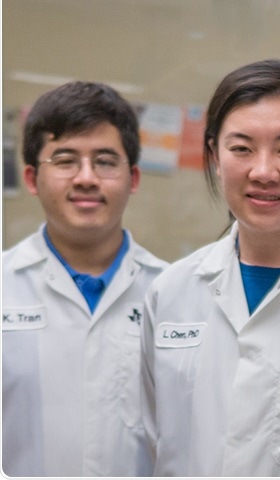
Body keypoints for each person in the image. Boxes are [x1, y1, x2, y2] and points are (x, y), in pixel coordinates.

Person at [140, 59, 280, 476]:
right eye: (241, 148)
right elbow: (150, 444)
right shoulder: (171, 291)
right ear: (214, 154)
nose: (264, 171)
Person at [2, 81, 168, 476]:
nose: (86, 178)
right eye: (65, 160)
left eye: (106, 161)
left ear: (134, 178)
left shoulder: (174, 293)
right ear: (30, 178)